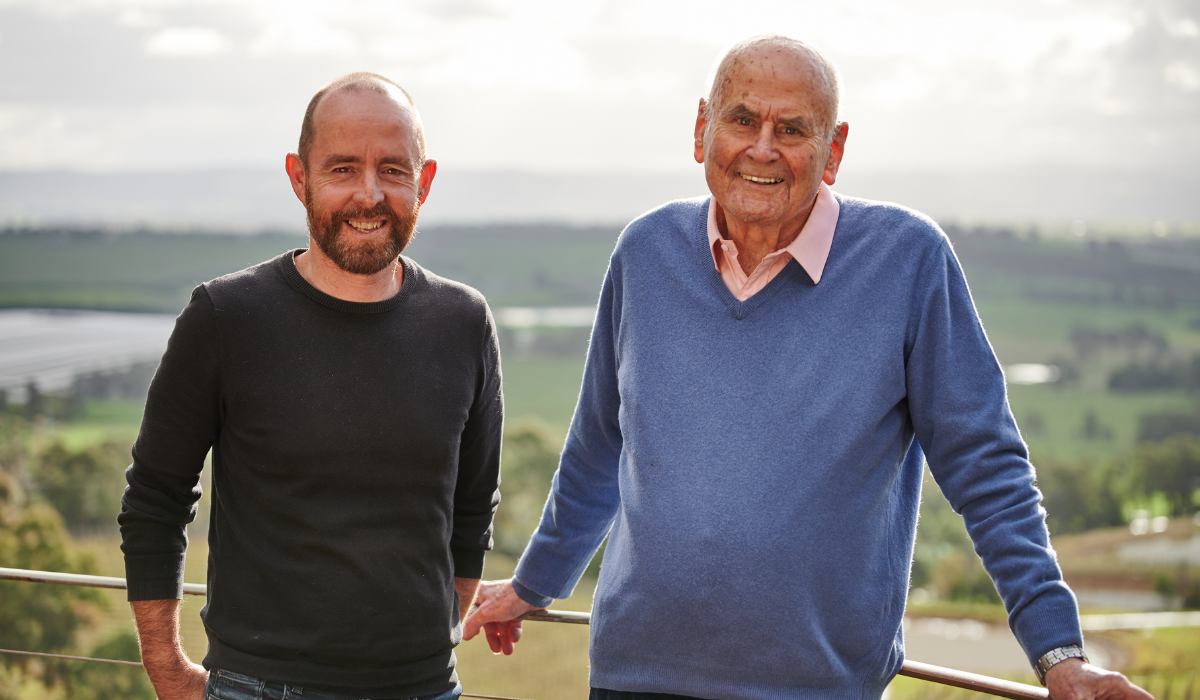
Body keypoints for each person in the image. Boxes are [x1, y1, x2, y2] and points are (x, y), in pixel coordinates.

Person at [464, 36, 1152, 700]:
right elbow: (597, 448)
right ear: (702, 129)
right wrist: (533, 584)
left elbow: (989, 472)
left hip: (820, 689)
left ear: (834, 150)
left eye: (792, 129)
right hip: (635, 679)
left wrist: (1058, 654)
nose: (762, 148)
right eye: (741, 119)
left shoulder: (907, 262)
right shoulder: (645, 253)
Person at [118, 73, 502, 700]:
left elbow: (472, 506)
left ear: (424, 182)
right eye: (343, 169)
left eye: (393, 171)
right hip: (257, 687)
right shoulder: (225, 317)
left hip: (425, 686)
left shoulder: (463, 322)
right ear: (299, 178)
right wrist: (167, 670)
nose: (369, 195)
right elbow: (155, 500)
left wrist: (434, 639)